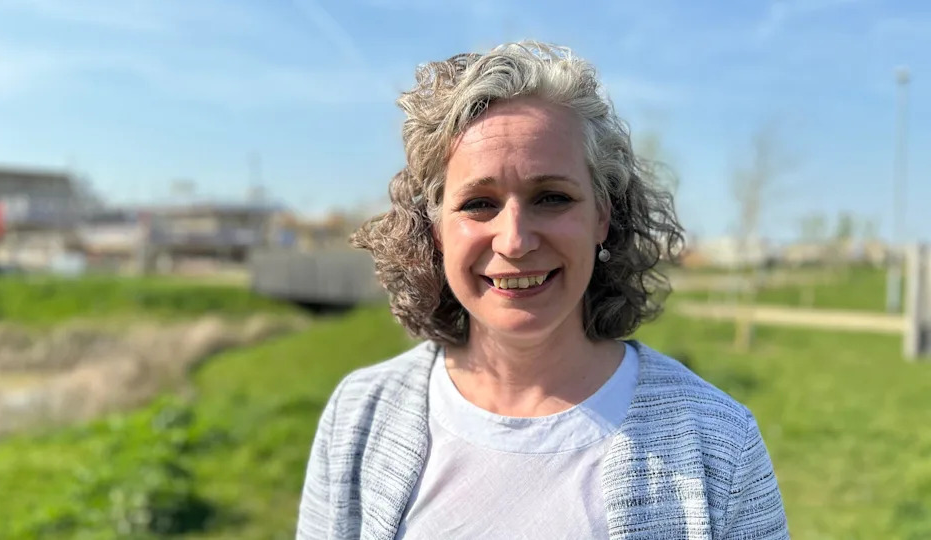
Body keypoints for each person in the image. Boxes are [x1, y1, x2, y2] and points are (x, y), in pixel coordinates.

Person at [297, 41, 788, 539]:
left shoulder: (719, 442)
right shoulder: (359, 415)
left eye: (552, 198)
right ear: (436, 228)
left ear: (602, 215)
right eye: (478, 203)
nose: (514, 240)